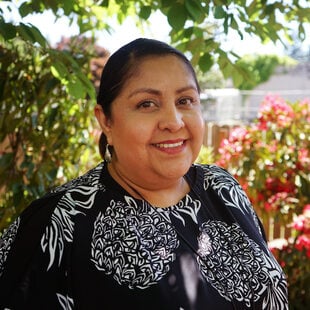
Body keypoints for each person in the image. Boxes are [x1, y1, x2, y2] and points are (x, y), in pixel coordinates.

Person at [0, 38, 288, 309]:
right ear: (106, 121)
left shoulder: (223, 188)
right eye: (147, 104)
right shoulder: (59, 222)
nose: (173, 122)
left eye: (185, 100)